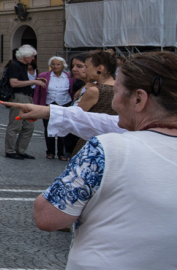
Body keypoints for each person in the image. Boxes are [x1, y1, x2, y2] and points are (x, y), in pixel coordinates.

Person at [30, 51, 177, 269]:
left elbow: (47, 216)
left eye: (117, 92)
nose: (115, 103)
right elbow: (105, 121)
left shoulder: (107, 150)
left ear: (138, 99)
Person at [3, 45, 43, 160]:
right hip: (19, 97)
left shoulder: (24, 66)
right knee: (15, 125)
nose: (33, 58)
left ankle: (21, 150)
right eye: (32, 56)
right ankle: (10, 150)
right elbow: (14, 83)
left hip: (27, 96)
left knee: (29, 126)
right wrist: (33, 82)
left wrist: (35, 81)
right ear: (25, 56)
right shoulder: (15, 66)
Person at [34, 56, 74, 160]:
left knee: (62, 129)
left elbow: (73, 91)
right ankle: (50, 152)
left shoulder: (69, 77)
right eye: (53, 64)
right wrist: (36, 106)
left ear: (63, 66)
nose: (55, 66)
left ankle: (62, 153)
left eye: (58, 64)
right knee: (48, 128)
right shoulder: (44, 76)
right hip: (48, 104)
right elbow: (37, 92)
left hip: (64, 104)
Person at [79, 50, 117, 116]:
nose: (85, 70)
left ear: (100, 68)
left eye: (87, 67)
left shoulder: (94, 91)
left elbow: (75, 116)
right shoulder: (123, 88)